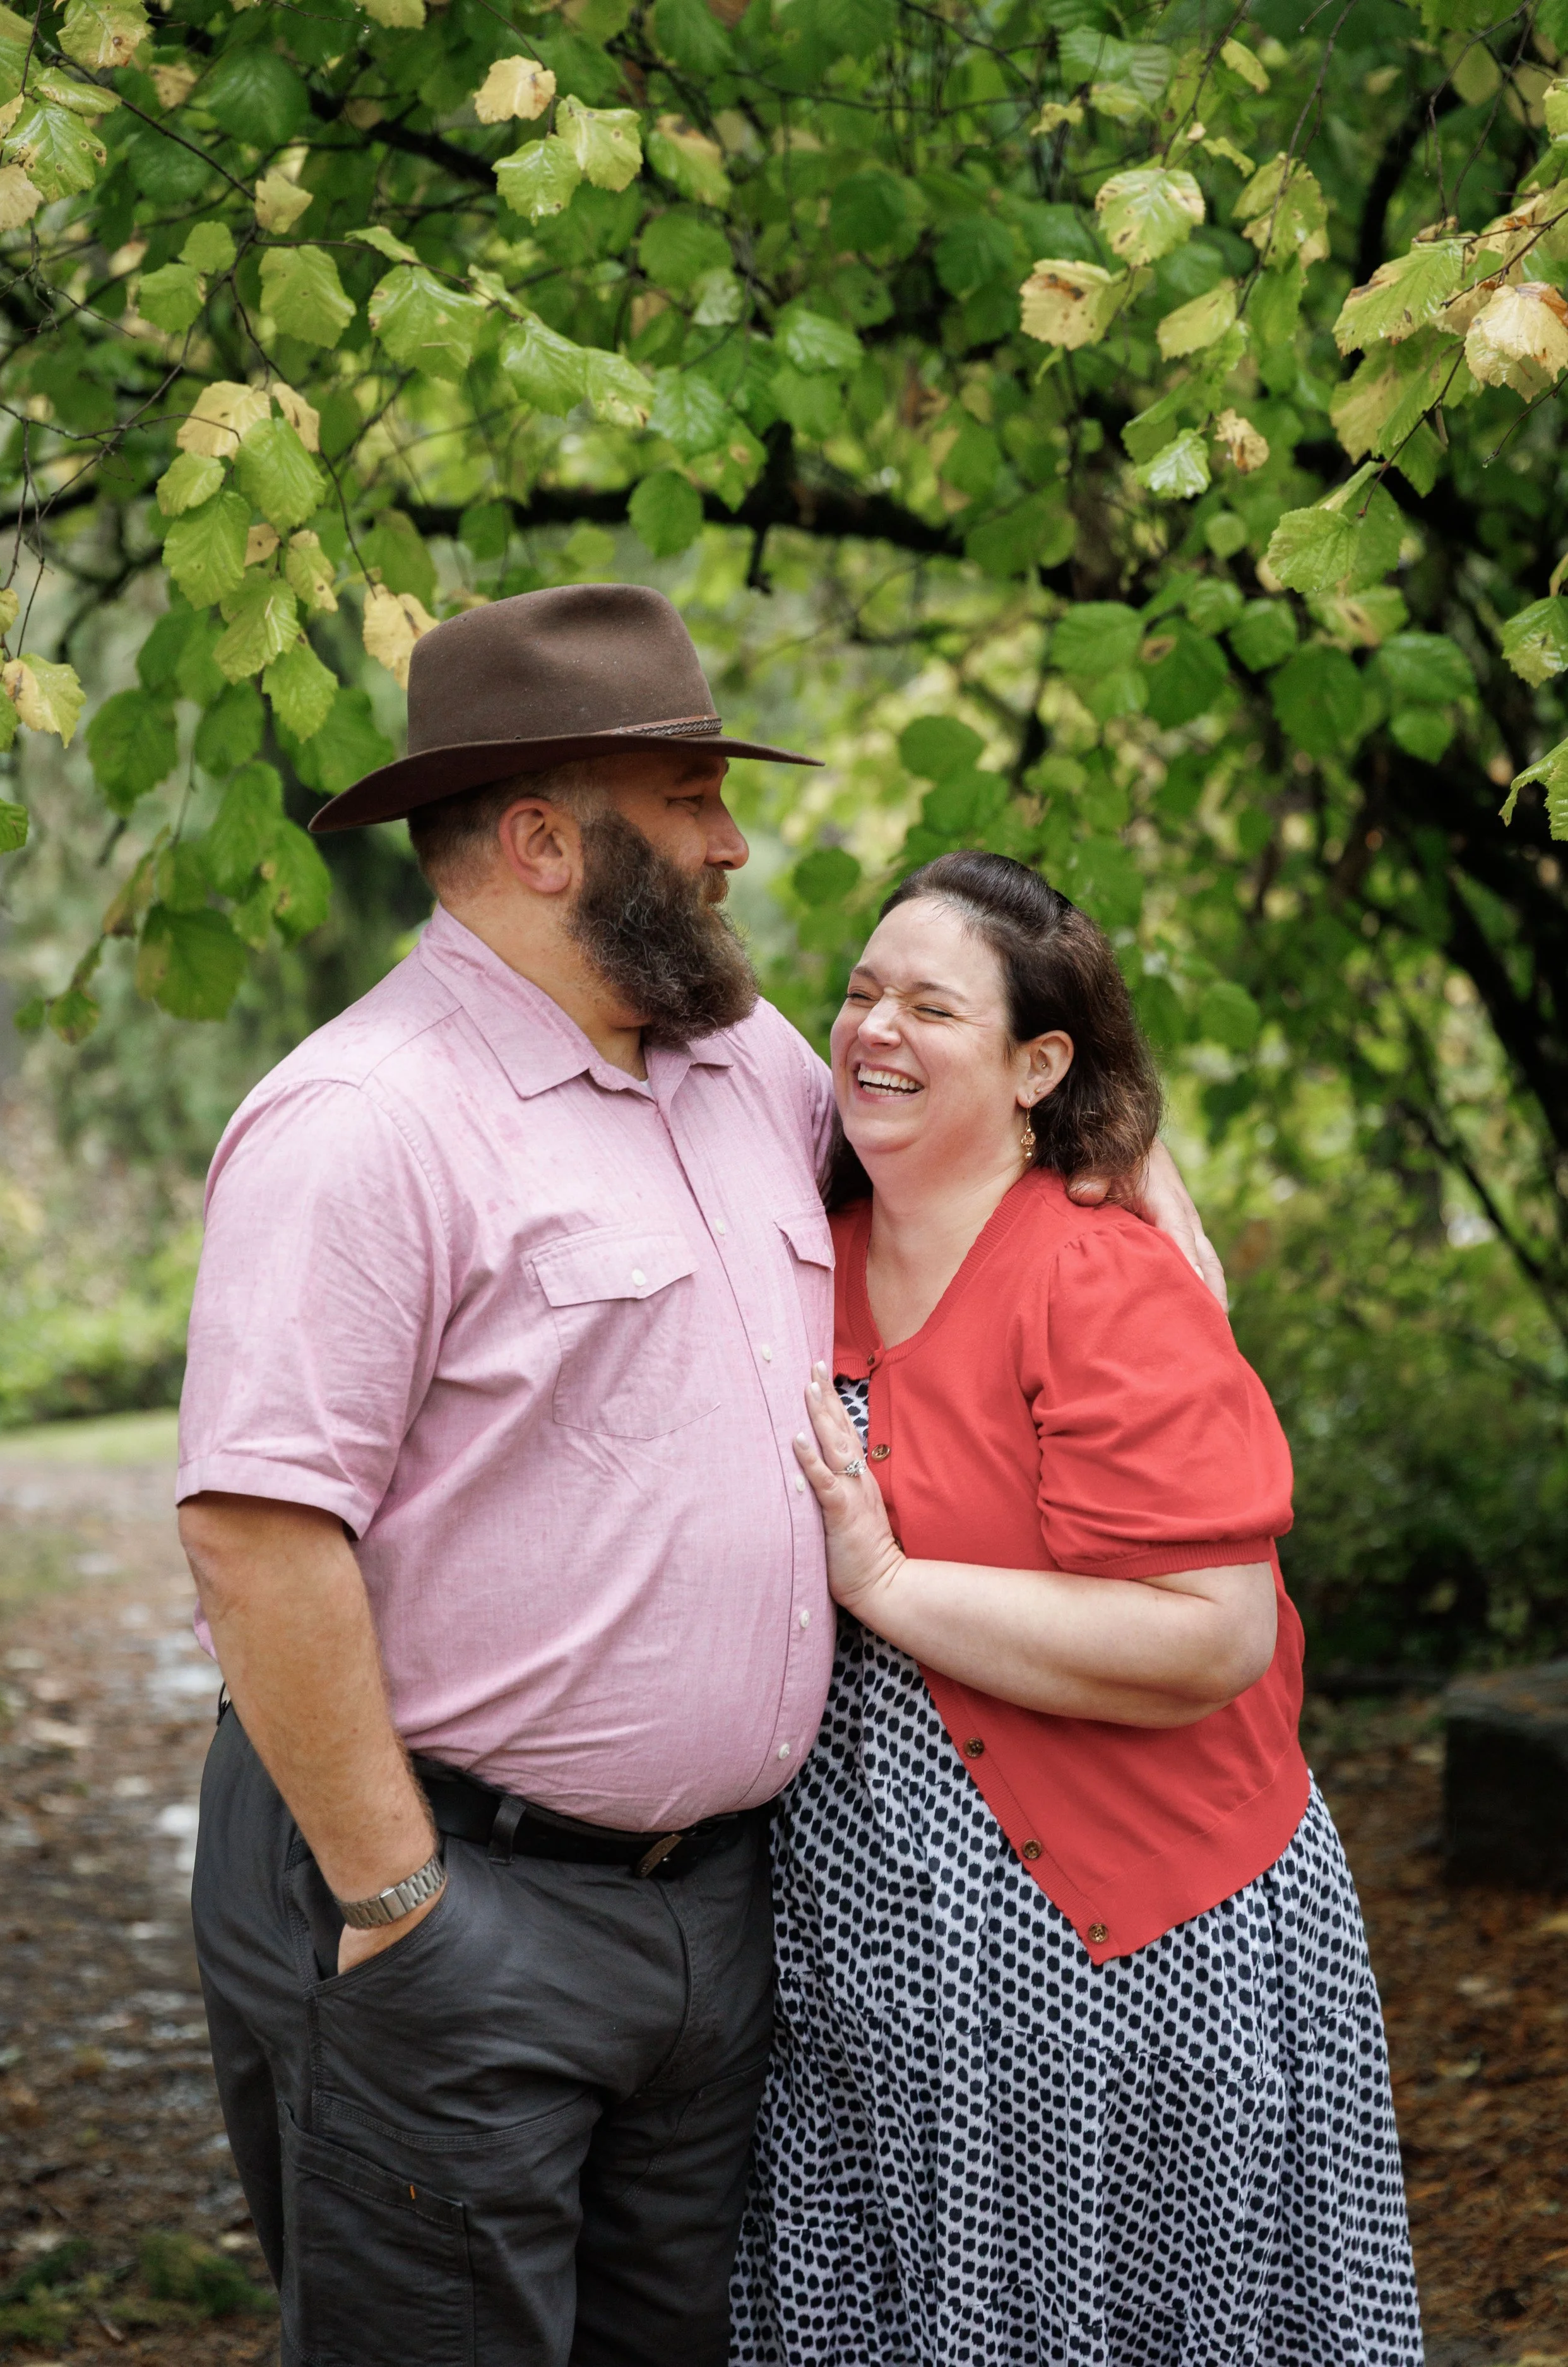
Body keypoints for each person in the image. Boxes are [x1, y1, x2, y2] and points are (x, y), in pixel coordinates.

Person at [176, 585, 1221, 2367]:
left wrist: (1120, 1166)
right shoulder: (362, 1120)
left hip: (717, 1914)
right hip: (452, 1895)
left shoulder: (741, 1062)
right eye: (686, 797)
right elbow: (259, 1531)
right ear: (542, 840)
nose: (734, 843)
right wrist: (399, 1903)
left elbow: (999, 1159)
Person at [730, 851, 1422, 2367]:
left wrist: (891, 1588)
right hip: (870, 1955)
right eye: (856, 992)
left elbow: (1209, 1636)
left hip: (1129, 1948)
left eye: (930, 1005)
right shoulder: (799, 1245)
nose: (872, 1029)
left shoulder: (1099, 1280)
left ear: (1039, 1063)